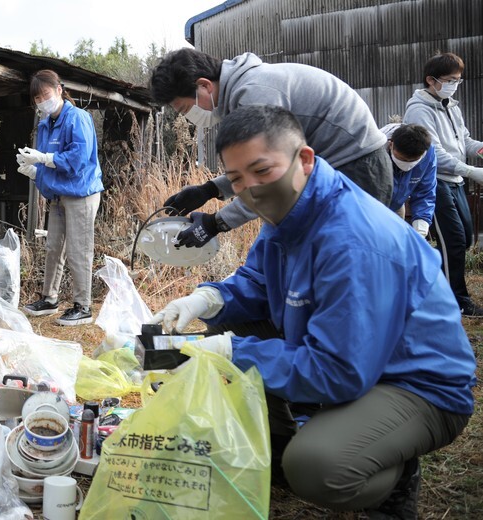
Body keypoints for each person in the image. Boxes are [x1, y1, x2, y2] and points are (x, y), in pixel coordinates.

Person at [151, 105, 475, 518]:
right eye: (236, 180)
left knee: (318, 467)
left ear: (303, 159)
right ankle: (280, 443)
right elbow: (258, 282)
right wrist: (204, 299)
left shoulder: (352, 239)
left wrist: (233, 353)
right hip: (355, 357)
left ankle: (394, 478)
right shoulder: (292, 209)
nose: (250, 189)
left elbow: (338, 371)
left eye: (262, 170)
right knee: (229, 316)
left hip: (416, 382)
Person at [150, 49, 393, 248]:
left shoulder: (255, 94)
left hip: (356, 169)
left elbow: (271, 183)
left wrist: (216, 223)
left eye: (185, 109)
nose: (189, 117)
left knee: (341, 258)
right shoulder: (245, 88)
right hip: (335, 167)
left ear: (204, 86)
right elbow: (259, 169)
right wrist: (209, 190)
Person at [17, 69, 103, 326]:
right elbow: (47, 167)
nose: (42, 101)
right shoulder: (44, 125)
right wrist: (33, 170)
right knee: (54, 247)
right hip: (58, 195)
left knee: (79, 249)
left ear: (59, 89)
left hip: (81, 193)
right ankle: (49, 299)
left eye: (45, 94)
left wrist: (42, 159)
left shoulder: (78, 118)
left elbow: (76, 160)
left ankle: (83, 305)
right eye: (37, 99)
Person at [403, 51, 483, 317]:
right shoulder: (419, 110)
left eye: (458, 80)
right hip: (435, 181)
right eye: (450, 79)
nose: (455, 84)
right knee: (453, 240)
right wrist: (472, 171)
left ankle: (431, 285)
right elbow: (434, 153)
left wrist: (480, 150)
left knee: (465, 233)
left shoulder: (451, 105)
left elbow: (464, 141)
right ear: (431, 80)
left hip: (456, 179)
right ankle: (456, 299)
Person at [379, 123, 436, 238]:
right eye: (402, 159)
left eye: (413, 161)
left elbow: (425, 191)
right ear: (391, 144)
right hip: (373, 205)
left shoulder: (428, 152)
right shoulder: (374, 150)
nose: (406, 164)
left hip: (397, 204)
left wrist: (421, 230)